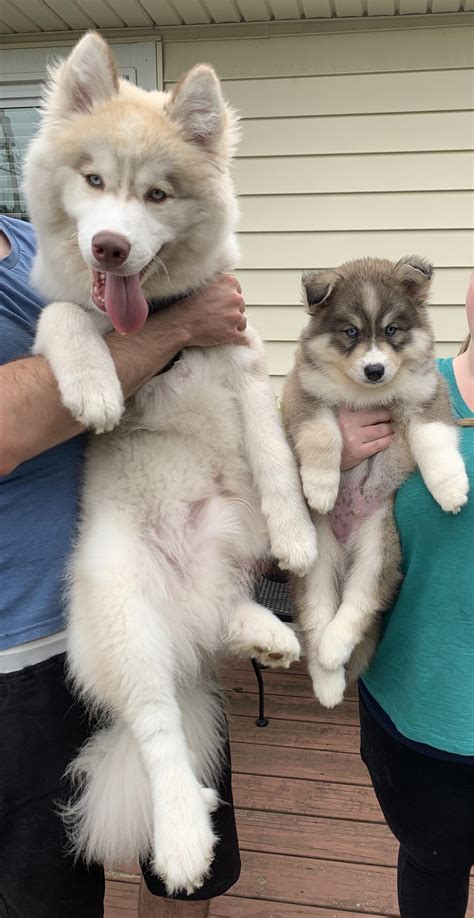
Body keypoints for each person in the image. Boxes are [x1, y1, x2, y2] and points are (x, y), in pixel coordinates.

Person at [0, 214, 247, 918]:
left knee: (187, 867)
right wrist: (179, 327)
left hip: (162, 590)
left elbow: (215, 356)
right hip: (22, 653)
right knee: (46, 894)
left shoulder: (57, 243)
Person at [339, 277, 474, 918]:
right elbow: (324, 547)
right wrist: (332, 469)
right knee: (431, 862)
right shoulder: (389, 392)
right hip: (417, 718)